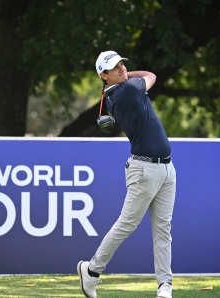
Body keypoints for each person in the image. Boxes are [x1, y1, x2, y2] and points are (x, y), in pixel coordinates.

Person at [77, 51, 176, 298]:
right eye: (115, 67)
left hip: (166, 168)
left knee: (163, 229)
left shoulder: (118, 89)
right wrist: (127, 76)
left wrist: (120, 75)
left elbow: (136, 78)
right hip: (144, 170)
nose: (122, 68)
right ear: (104, 75)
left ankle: (165, 285)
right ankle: (91, 271)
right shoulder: (128, 90)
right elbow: (151, 75)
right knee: (127, 224)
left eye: (122, 64)